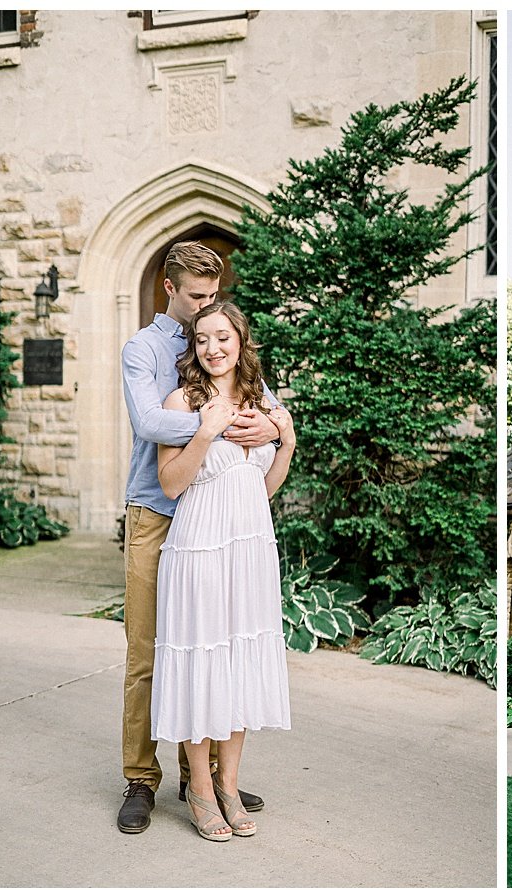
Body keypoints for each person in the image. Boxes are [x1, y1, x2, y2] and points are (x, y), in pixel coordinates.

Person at [117, 242, 279, 835]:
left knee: (216, 640)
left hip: (222, 520)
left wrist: (271, 423)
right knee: (149, 652)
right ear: (169, 288)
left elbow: (268, 407)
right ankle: (141, 778)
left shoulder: (215, 336)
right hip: (158, 511)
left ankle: (206, 779)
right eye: (195, 297)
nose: (205, 308)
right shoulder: (144, 350)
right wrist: (226, 424)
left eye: (213, 298)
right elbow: (149, 423)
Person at [151, 300, 295, 841]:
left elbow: (264, 485)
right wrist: (205, 431)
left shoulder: (260, 402)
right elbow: (170, 484)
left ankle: (230, 785)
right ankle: (200, 792)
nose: (213, 349)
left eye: (223, 338)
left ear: (241, 343)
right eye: (203, 339)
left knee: (238, 657)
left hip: (251, 545)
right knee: (203, 658)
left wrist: (286, 440)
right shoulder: (181, 401)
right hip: (200, 547)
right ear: (193, 346)